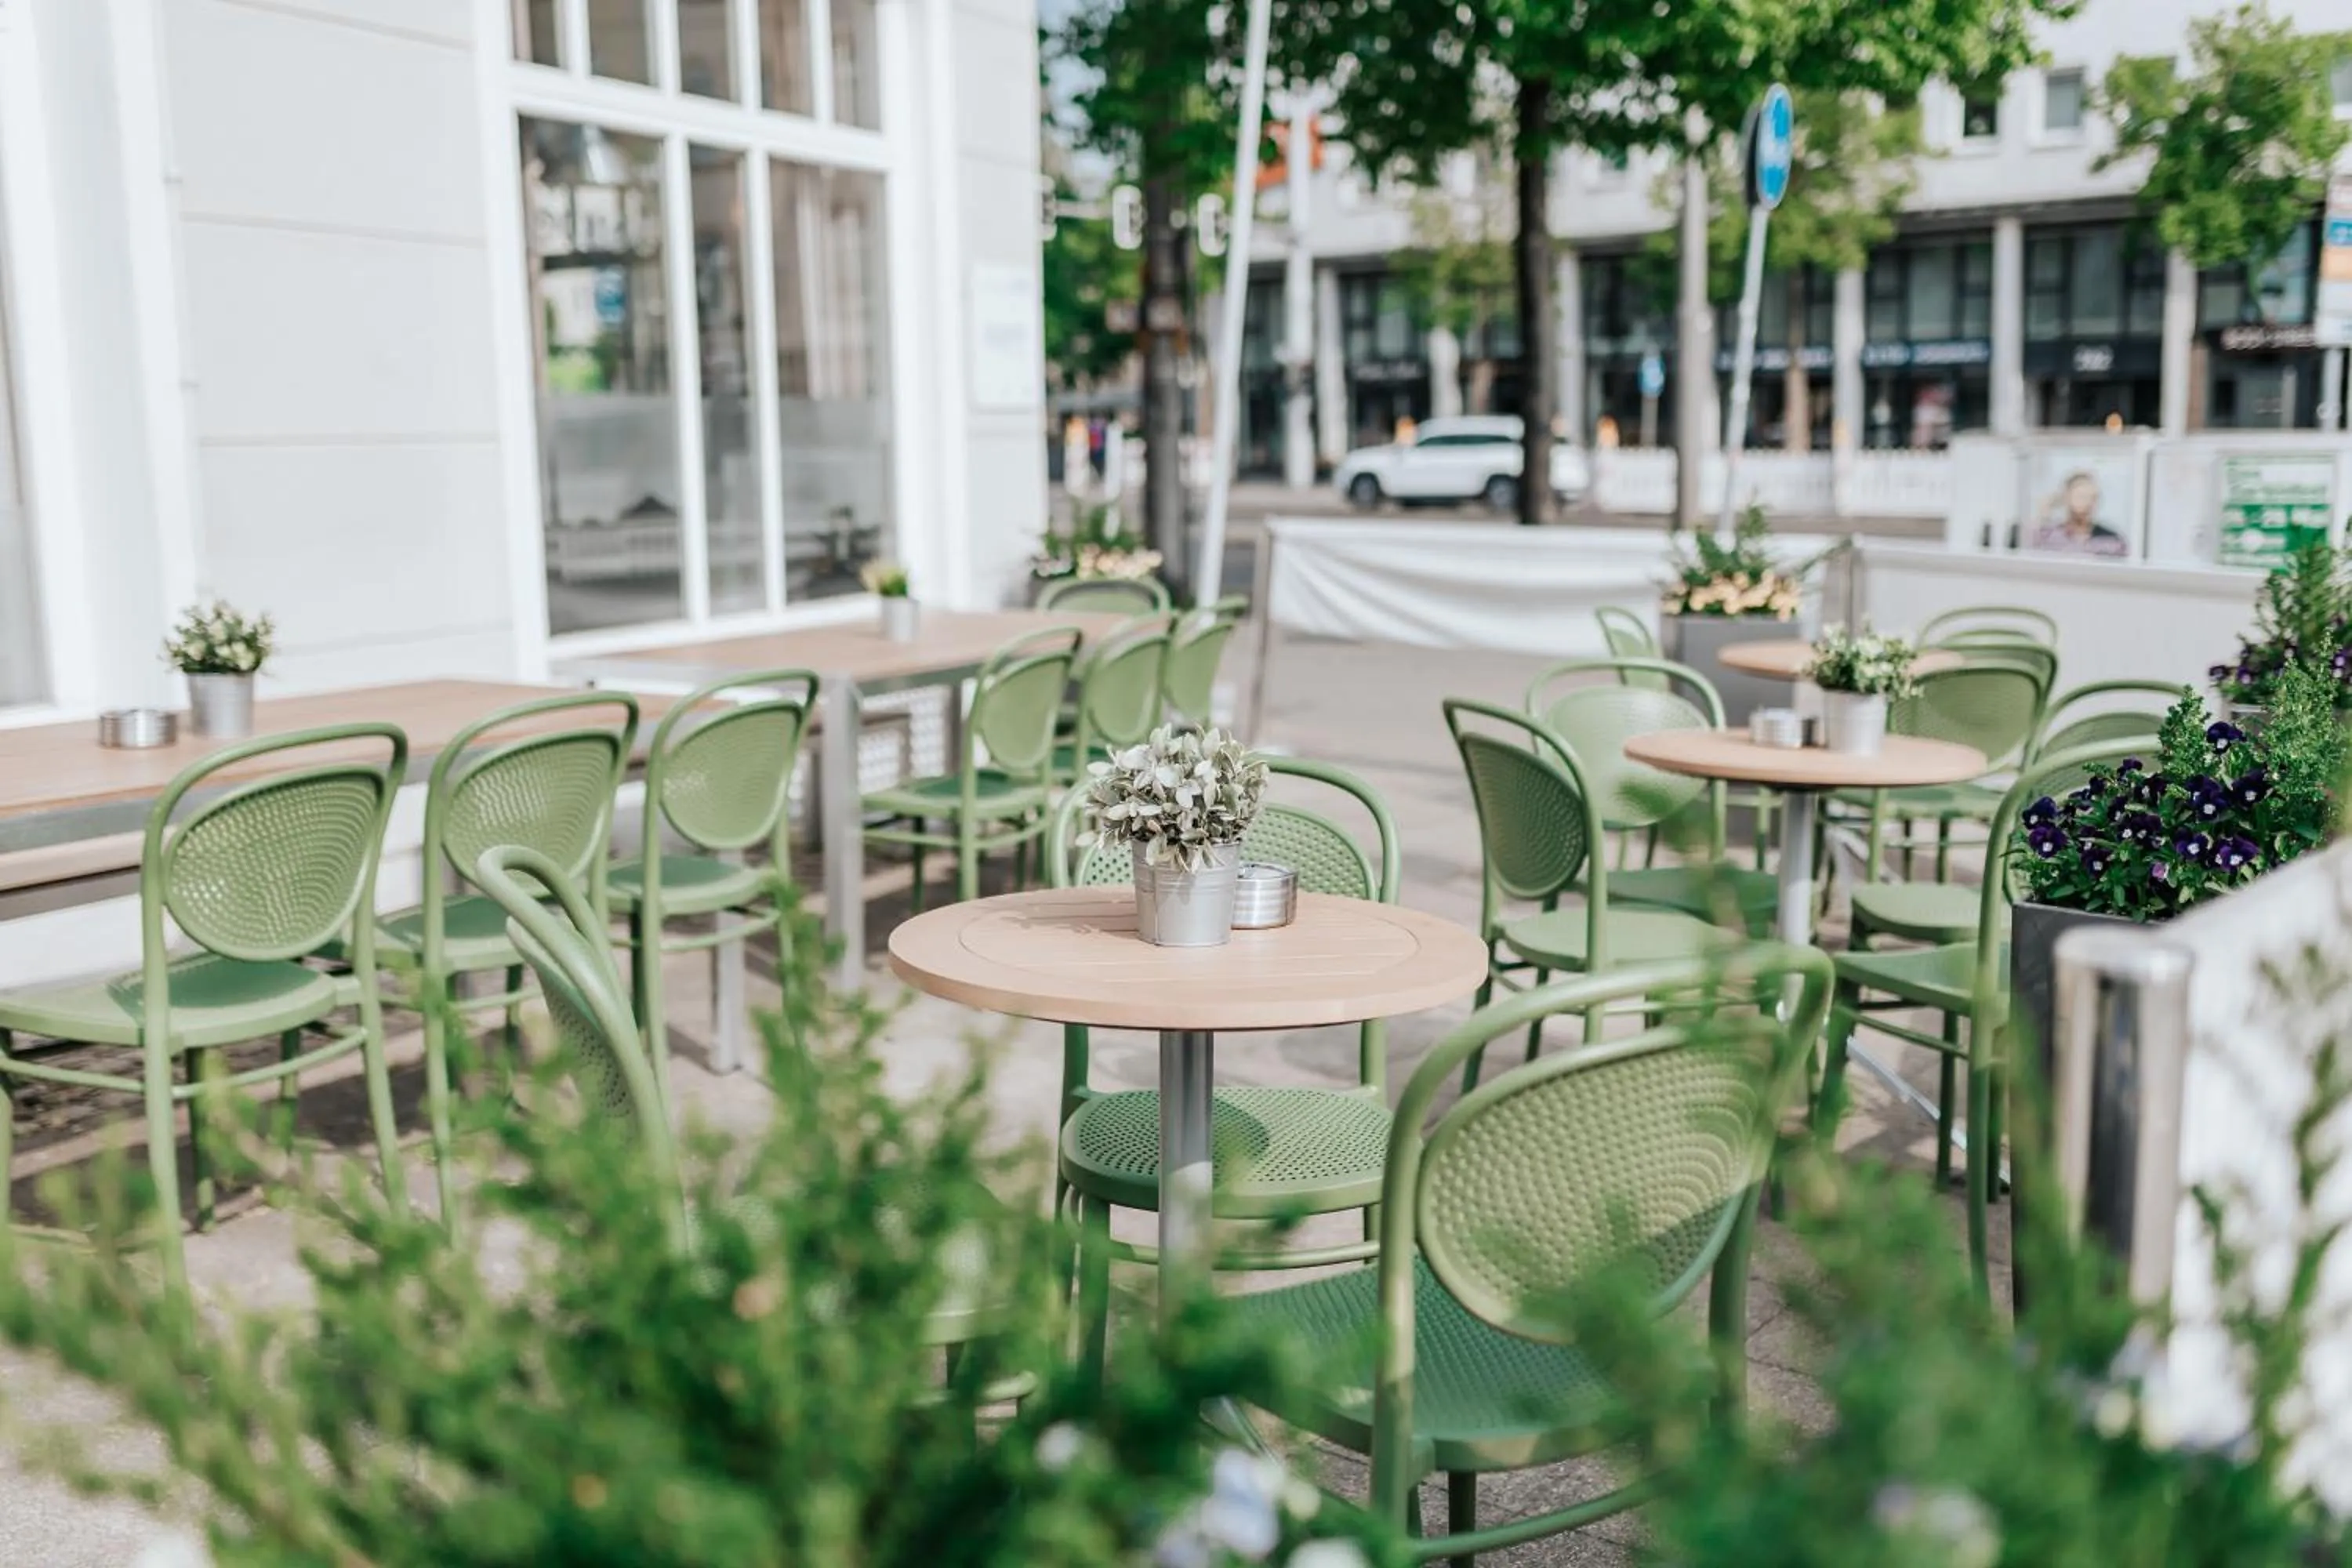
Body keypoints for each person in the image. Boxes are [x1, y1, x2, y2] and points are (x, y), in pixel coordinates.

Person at [2027, 470, 2128, 557]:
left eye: (2092, 497)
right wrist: (2044, 511)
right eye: (2081, 497)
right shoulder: (2048, 535)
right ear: (2066, 497)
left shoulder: (2110, 540)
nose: (2087, 503)